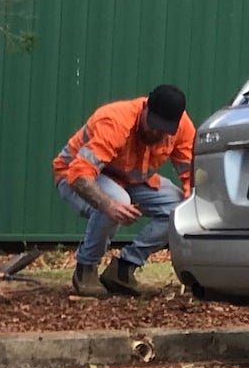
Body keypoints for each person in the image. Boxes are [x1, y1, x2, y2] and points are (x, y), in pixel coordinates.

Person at [53, 84, 195, 298]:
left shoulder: (182, 127)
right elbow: (79, 174)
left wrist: (192, 207)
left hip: (130, 181)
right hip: (75, 177)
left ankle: (123, 269)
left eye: (165, 130)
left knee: (178, 209)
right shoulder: (115, 121)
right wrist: (108, 205)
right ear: (146, 107)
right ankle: (86, 268)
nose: (157, 133)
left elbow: (190, 175)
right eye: (153, 125)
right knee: (117, 199)